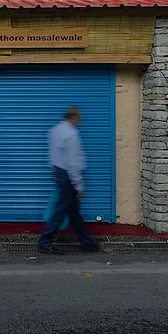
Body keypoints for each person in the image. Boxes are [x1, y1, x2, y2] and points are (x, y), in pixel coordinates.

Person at [38, 106, 100, 255]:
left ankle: (87, 242)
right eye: (79, 118)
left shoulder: (55, 130)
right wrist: (78, 184)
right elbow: (73, 163)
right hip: (68, 177)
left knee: (73, 211)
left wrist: (56, 173)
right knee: (61, 210)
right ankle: (45, 242)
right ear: (74, 117)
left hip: (60, 173)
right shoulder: (71, 134)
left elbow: (52, 155)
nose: (80, 121)